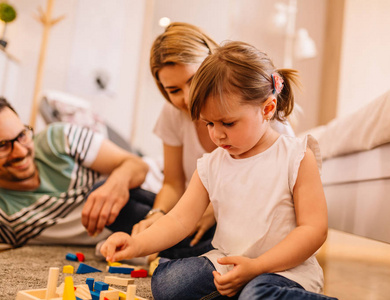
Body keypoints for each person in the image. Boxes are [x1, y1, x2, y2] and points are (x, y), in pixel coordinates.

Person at [101, 41, 337, 300]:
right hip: (227, 261)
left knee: (256, 294)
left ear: (268, 108)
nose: (217, 134)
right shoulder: (211, 164)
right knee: (168, 285)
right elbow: (179, 220)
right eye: (209, 123)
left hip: (284, 270)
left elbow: (314, 230)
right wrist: (136, 244)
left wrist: (257, 267)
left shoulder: (298, 156)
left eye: (228, 122)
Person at [131, 22, 295, 259]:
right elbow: (173, 184)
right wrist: (157, 215)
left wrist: (216, 211)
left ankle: (177, 251)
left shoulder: (265, 122)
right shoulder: (172, 115)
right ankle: (167, 246)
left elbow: (282, 205)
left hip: (244, 222)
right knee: (133, 205)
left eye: (193, 80)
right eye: (174, 90)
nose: (188, 98)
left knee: (182, 262)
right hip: (192, 211)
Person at [0, 97, 154, 247]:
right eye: (2, 146)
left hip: (149, 200)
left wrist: (115, 185)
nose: (20, 152)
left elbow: (138, 165)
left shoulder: (59, 138)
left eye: (21, 135)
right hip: (124, 239)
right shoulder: (4, 215)